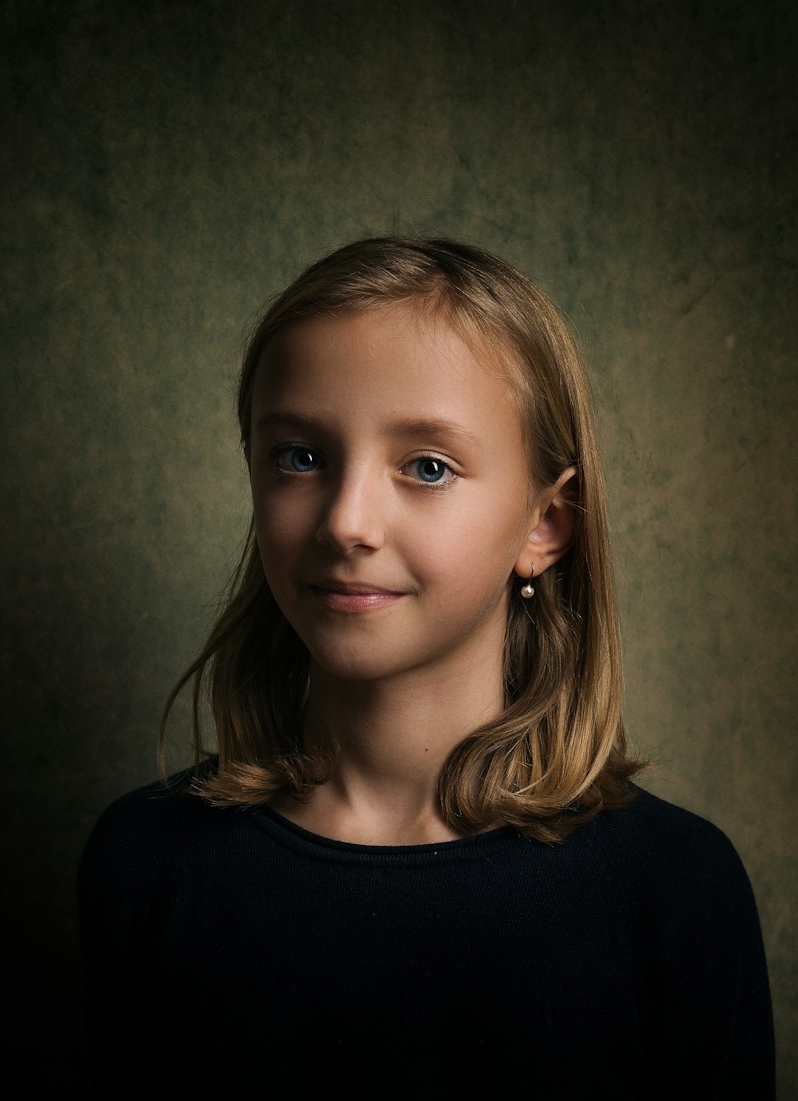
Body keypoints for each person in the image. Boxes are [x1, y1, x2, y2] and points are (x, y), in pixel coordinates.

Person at [78, 237, 775, 1097]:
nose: (347, 522)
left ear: (545, 525)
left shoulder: (673, 890)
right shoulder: (148, 864)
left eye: (428, 467)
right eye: (300, 455)